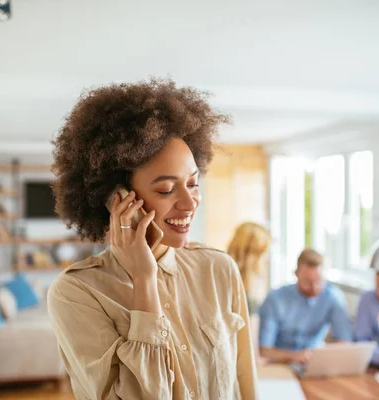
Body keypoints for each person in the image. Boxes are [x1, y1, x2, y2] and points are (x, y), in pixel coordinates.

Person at [47, 79, 258, 400]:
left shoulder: (218, 269)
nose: (190, 204)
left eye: (193, 183)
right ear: (117, 198)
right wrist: (145, 279)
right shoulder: (76, 293)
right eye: (165, 189)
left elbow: (245, 381)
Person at [258, 248, 353, 364]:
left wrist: (319, 354)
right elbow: (264, 350)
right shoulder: (275, 299)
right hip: (280, 363)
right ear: (296, 275)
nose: (313, 288)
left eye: (318, 281)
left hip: (314, 361)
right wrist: (293, 356)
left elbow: (345, 343)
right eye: (307, 282)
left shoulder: (333, 297)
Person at [227, 222, 272, 316]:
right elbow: (251, 330)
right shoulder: (245, 298)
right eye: (265, 252)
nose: (267, 259)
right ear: (252, 256)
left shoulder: (228, 283)